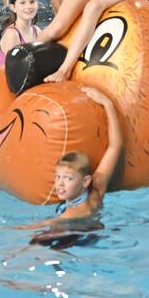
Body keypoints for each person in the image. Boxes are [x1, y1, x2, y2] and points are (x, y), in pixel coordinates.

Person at [23, 87, 123, 245]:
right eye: (58, 177)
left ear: (85, 181)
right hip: (94, 229)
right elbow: (115, 146)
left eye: (68, 178)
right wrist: (107, 104)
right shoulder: (97, 189)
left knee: (33, 243)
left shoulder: (72, 213)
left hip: (78, 234)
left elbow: (35, 226)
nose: (60, 184)